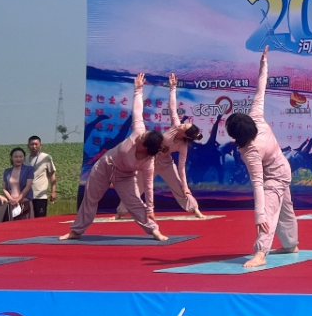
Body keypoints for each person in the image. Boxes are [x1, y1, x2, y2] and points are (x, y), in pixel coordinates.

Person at [60, 73, 169, 242]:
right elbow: (137, 112)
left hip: (124, 176)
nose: (140, 135)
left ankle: (154, 231)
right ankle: (76, 231)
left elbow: (148, 186)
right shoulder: (139, 131)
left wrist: (150, 209)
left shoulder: (148, 163)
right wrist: (138, 89)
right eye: (142, 134)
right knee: (90, 199)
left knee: (135, 203)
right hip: (104, 166)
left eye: (142, 138)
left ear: (145, 147)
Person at [229, 48, 298, 269]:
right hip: (283, 169)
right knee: (285, 210)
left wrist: (259, 215)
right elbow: (261, 90)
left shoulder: (251, 152)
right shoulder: (256, 117)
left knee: (269, 211)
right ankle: (291, 244)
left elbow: (258, 184)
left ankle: (261, 253)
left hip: (275, 176)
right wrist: (263, 64)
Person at [123, 75, 208, 220]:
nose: (181, 125)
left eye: (183, 127)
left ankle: (195, 209)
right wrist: (173, 87)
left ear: (185, 135)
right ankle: (120, 212)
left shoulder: (183, 147)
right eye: (183, 124)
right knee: (137, 186)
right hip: (151, 160)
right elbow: (172, 107)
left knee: (180, 187)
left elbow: (181, 168)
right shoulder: (175, 126)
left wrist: (185, 186)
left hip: (166, 164)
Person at [26, 136, 57, 218]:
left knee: (40, 219)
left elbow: (52, 175)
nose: (34, 146)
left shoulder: (46, 158)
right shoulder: (25, 159)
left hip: (40, 195)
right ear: (28, 146)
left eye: (36, 144)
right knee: (27, 220)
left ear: (40, 145)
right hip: (27, 196)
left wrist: (53, 192)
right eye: (32, 144)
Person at [2, 147, 34, 220]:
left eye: (21, 157)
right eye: (16, 157)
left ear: (24, 158)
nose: (18, 159)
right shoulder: (7, 171)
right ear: (12, 158)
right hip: (11, 204)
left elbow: (28, 186)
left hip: (24, 202)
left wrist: (18, 199)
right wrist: (11, 199)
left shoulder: (29, 169)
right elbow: (4, 188)